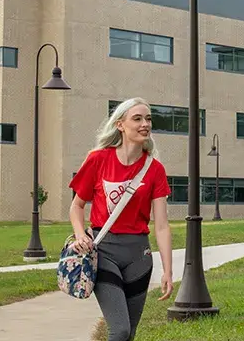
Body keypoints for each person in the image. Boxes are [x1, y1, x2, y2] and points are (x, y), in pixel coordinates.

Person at [68, 98, 174, 341]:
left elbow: (162, 225)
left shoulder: (155, 169)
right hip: (104, 252)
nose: (145, 124)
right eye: (137, 119)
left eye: (148, 118)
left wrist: (168, 270)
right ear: (120, 125)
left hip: (139, 255)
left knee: (130, 333)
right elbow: (76, 206)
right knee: (120, 330)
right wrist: (80, 234)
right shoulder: (98, 159)